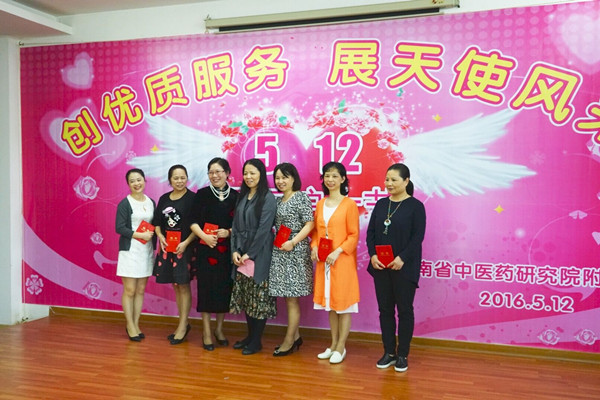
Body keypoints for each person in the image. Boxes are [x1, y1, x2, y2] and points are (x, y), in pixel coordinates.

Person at [366, 163, 426, 373]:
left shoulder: (416, 206)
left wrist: (402, 258)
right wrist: (373, 255)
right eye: (387, 179)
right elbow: (371, 233)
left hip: (404, 268)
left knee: (405, 310)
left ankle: (402, 355)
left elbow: (418, 237)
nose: (389, 183)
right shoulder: (381, 204)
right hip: (381, 266)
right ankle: (389, 352)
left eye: (394, 180)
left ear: (406, 181)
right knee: (385, 310)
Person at [311, 161, 359, 364]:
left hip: (342, 261)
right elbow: (316, 232)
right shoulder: (320, 204)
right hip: (324, 262)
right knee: (331, 304)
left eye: (334, 176)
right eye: (327, 176)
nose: (330, 180)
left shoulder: (350, 204)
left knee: (344, 305)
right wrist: (314, 247)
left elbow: (353, 235)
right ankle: (333, 344)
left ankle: (341, 346)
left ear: (343, 179)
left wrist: (338, 251)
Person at [229, 158, 277, 355]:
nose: (248, 177)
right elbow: (235, 226)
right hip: (241, 253)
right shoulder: (243, 196)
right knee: (248, 296)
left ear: (261, 175)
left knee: (259, 298)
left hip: (260, 253)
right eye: (246, 173)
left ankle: (256, 341)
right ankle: (250, 337)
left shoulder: (268, 198)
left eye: (253, 173)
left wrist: (250, 253)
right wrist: (235, 250)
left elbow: (264, 230)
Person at [190, 158, 238, 351]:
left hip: (226, 252)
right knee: (206, 290)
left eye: (218, 171)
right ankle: (206, 332)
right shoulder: (201, 194)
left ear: (227, 173)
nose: (214, 175)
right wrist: (204, 237)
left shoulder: (235, 196)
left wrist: (229, 232)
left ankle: (219, 329)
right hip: (205, 250)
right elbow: (193, 222)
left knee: (223, 290)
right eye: (211, 172)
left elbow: (241, 225)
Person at [270, 163, 314, 357]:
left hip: (295, 251)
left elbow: (310, 224)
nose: (280, 181)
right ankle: (296, 337)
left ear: (293, 178)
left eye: (284, 177)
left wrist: (293, 242)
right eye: (278, 178)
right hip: (280, 250)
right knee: (288, 297)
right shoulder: (278, 201)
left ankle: (288, 341)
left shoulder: (301, 197)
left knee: (292, 298)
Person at [153, 164, 197, 345]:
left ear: (187, 178)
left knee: (183, 286)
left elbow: (197, 226)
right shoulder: (164, 198)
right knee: (176, 285)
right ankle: (183, 323)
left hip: (184, 249)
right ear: (170, 180)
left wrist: (185, 243)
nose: (180, 181)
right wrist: (161, 236)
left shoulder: (193, 199)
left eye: (182, 177)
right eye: (176, 178)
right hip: (168, 249)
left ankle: (182, 326)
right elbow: (157, 223)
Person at [115, 168, 156, 342]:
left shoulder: (151, 202)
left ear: (144, 181)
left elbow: (155, 225)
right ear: (128, 184)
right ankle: (130, 325)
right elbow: (119, 227)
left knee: (140, 290)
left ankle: (136, 324)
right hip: (130, 250)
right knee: (130, 290)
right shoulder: (125, 203)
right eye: (132, 181)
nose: (136, 183)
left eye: (139, 180)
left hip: (146, 250)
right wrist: (140, 235)